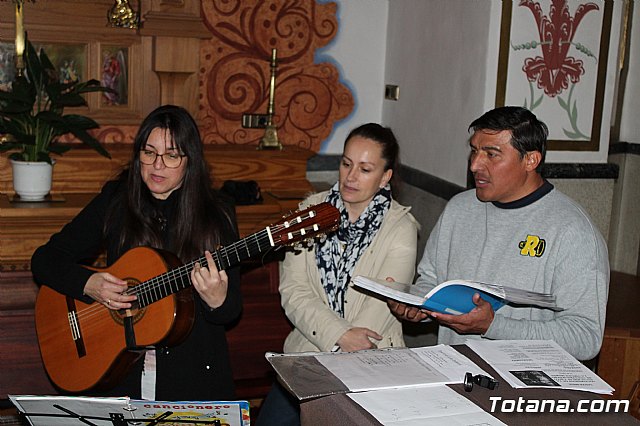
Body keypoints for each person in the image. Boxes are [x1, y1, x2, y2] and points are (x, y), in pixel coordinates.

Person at [31, 105, 242, 400]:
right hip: (122, 374)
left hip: (191, 377)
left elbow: (232, 310)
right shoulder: (117, 201)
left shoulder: (216, 213)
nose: (157, 165)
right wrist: (87, 284)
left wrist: (217, 300)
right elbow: (45, 260)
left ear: (190, 161)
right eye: (148, 152)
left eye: (171, 155)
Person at [389, 106, 609, 362]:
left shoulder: (573, 231)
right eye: (474, 150)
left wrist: (493, 326)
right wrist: (418, 304)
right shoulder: (459, 208)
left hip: (522, 390)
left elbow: (585, 337)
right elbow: (431, 281)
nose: (474, 165)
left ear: (530, 160)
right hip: (454, 372)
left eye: (491, 154)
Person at [256, 123, 419, 425]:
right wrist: (338, 336)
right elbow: (294, 291)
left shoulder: (401, 228)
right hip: (306, 354)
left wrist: (346, 343)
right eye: (346, 164)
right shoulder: (308, 211)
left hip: (373, 362)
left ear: (385, 177)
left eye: (365, 169)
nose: (351, 176)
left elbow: (379, 308)